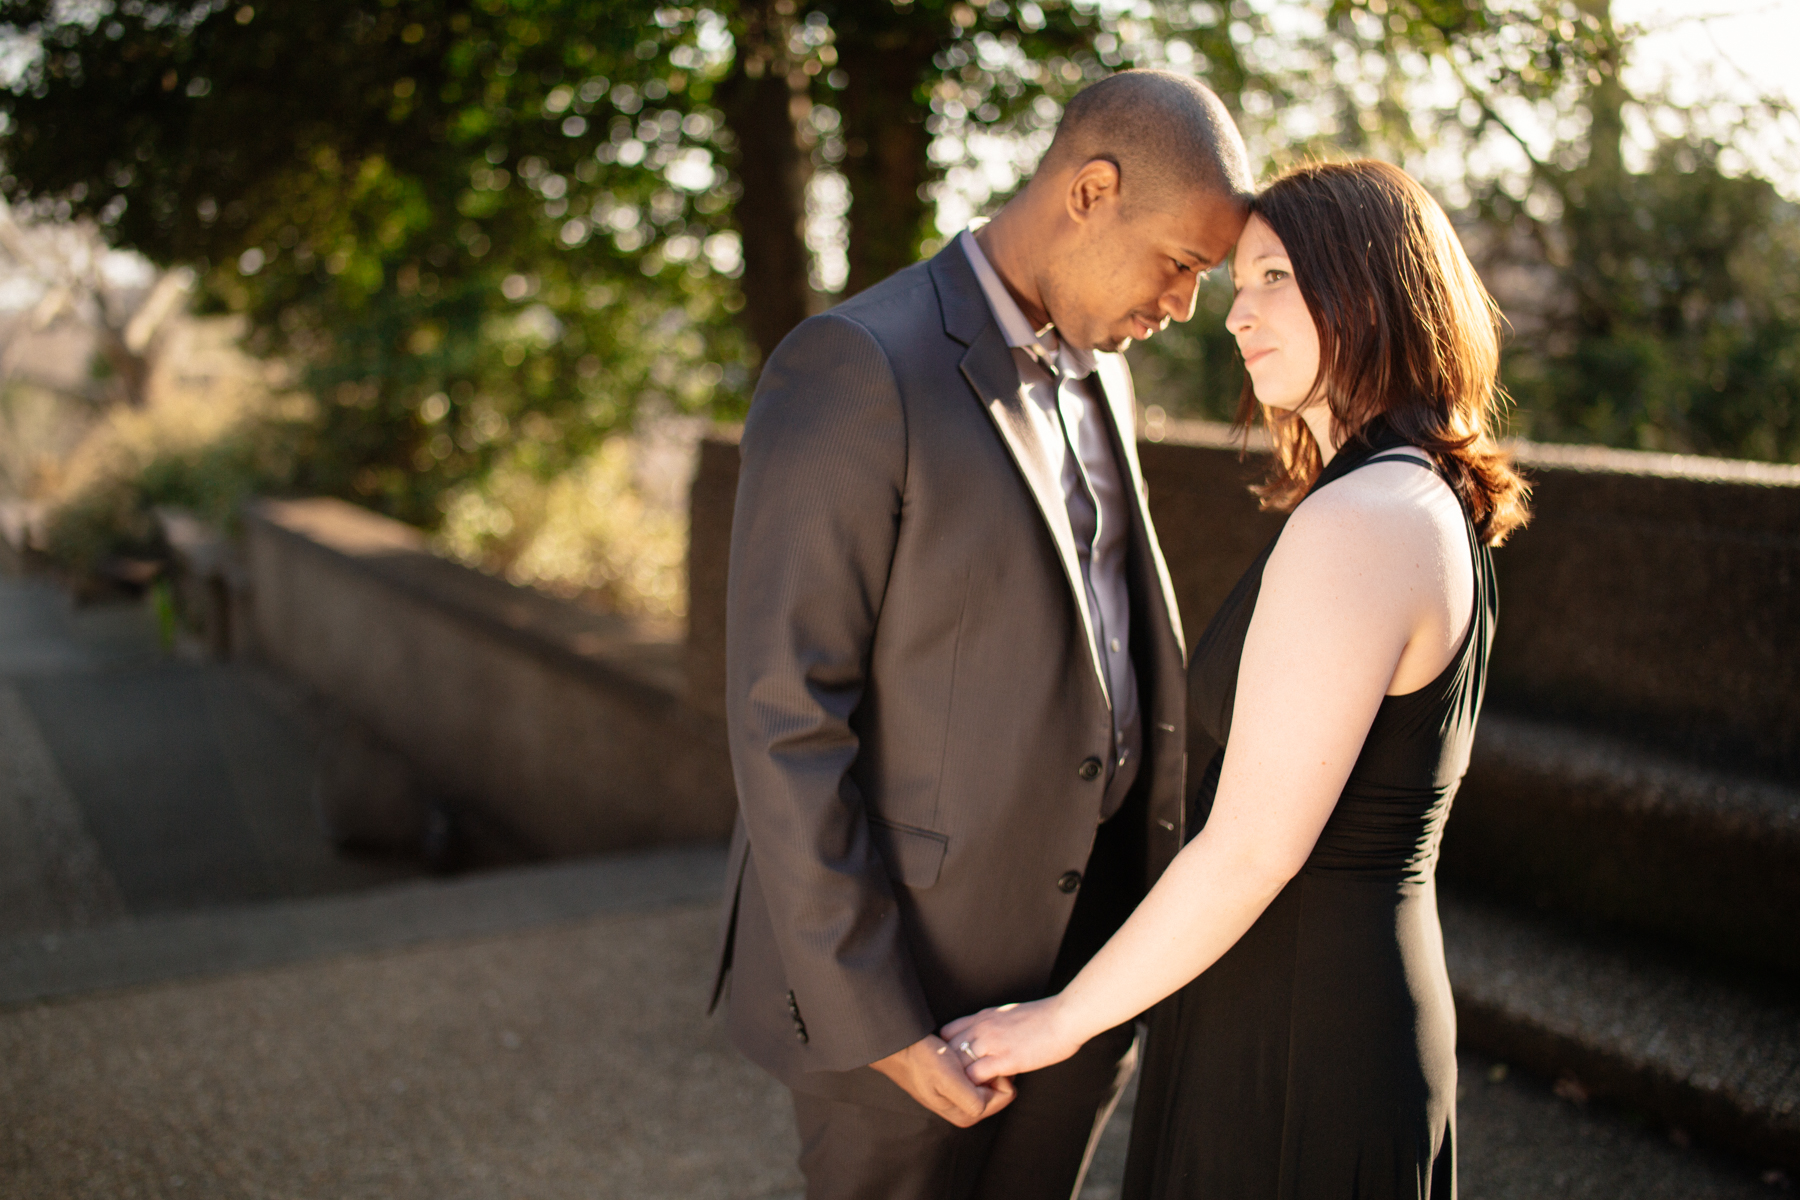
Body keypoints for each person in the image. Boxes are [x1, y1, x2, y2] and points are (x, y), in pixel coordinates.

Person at [711, 71, 1254, 1200]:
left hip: (1085, 967)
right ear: (1091, 191)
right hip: (913, 979)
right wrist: (880, 1021)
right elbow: (786, 715)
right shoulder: (855, 366)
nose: (1187, 306)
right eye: (1182, 264)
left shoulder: (1102, 368)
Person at [943, 158, 1532, 1199]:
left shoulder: (1366, 518)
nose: (1233, 316)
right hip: (1301, 998)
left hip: (1300, 1030)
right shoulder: (1402, 498)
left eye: (1272, 278)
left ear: (1370, 285)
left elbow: (1255, 847)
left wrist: (1060, 1023)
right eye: (1236, 285)